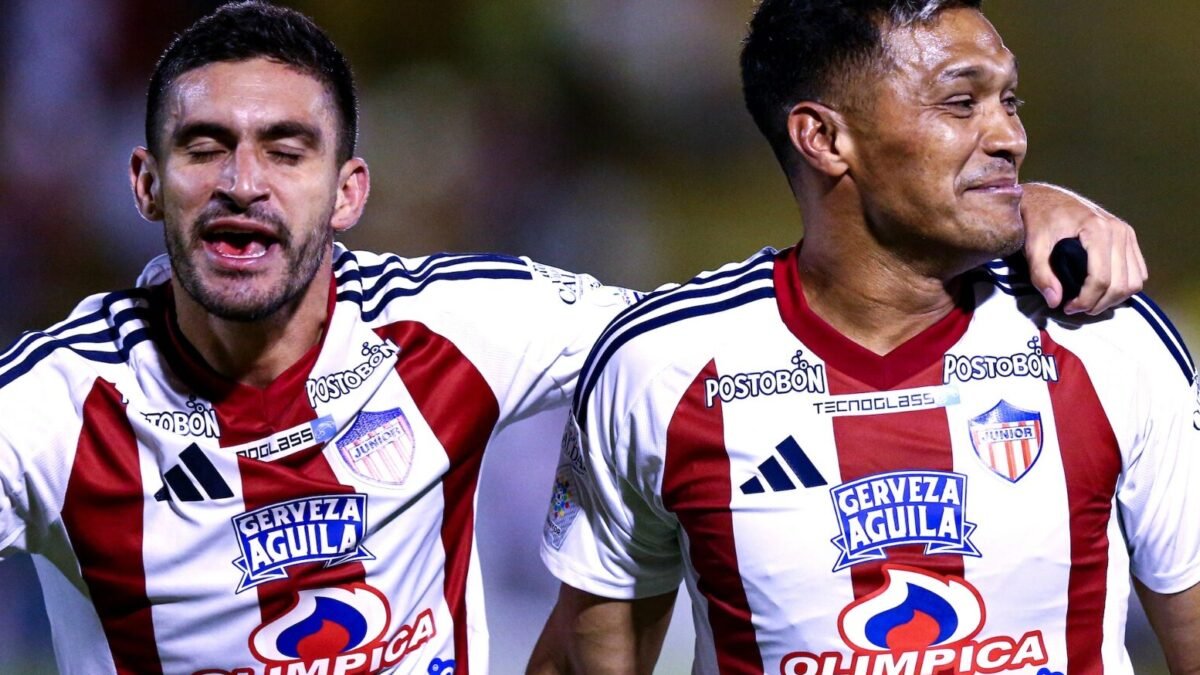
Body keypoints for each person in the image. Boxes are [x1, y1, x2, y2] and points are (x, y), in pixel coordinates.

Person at [0, 2, 1149, 674]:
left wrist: (1009, 214)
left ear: (348, 191)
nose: (243, 183)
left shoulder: (459, 325)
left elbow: (728, 335)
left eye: (286, 150)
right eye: (204, 147)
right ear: (144, 181)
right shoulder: (50, 409)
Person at [530, 1, 1199, 674]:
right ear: (824, 138)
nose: (1010, 138)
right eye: (961, 103)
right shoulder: (660, 367)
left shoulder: (1107, 341)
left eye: (1009, 101)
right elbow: (586, 655)